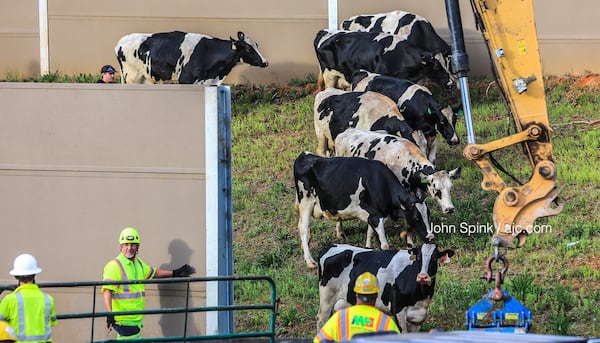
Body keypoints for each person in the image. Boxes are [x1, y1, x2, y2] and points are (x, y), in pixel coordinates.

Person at [102, 227, 196, 340]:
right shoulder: (114, 265)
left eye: (133, 245)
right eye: (126, 244)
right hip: (124, 320)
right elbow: (107, 290)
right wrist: (110, 314)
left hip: (135, 320)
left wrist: (175, 272)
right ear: (120, 246)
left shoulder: (139, 264)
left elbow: (154, 273)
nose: (129, 248)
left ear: (138, 246)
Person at [314, 272, 400, 342]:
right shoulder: (386, 323)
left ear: (356, 295)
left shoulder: (340, 317)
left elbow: (319, 340)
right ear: (376, 296)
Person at [0, 254, 57, 342]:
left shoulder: (9, 300)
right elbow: (52, 322)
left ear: (16, 276)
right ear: (34, 274)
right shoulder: (48, 299)